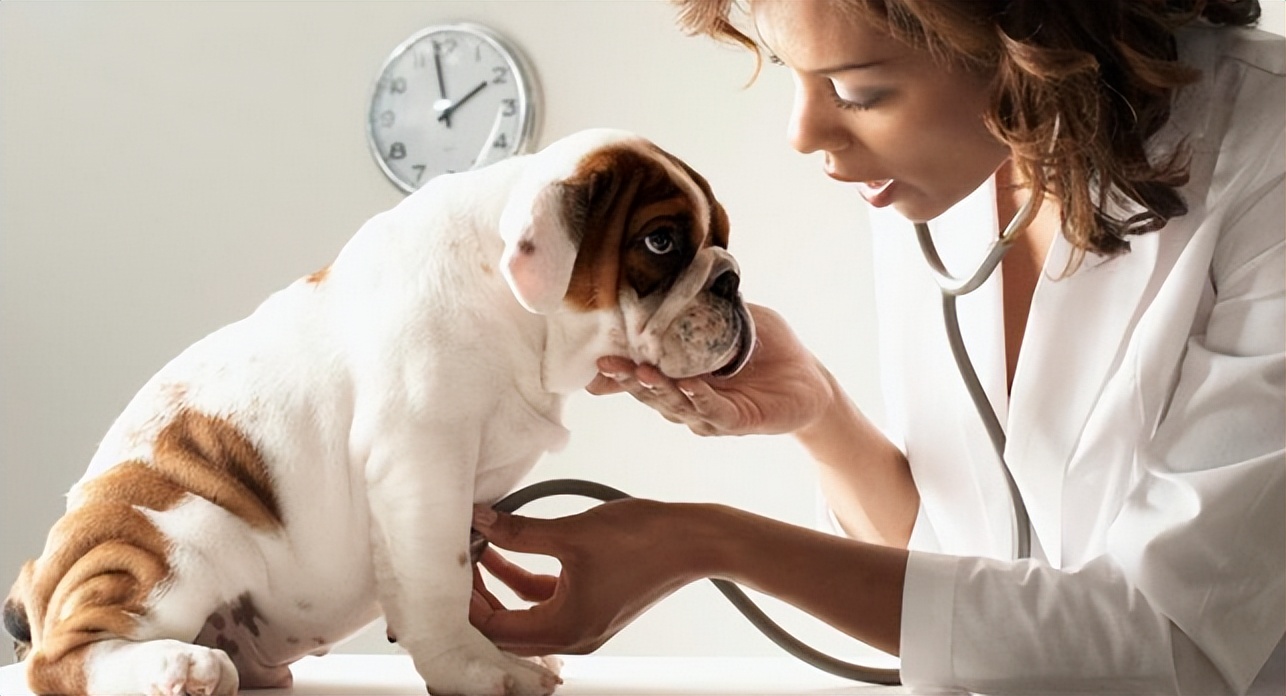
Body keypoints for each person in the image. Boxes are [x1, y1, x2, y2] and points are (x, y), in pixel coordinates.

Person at [469, 0, 1285, 692]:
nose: (805, 132)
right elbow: (970, 593)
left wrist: (706, 541)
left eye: (859, 90)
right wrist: (822, 417)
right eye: (791, 70)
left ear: (1030, 42)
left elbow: (1177, 645)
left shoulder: (1268, 153)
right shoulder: (946, 174)